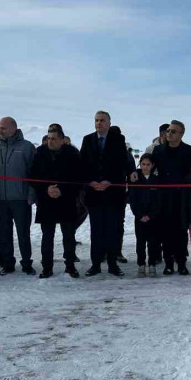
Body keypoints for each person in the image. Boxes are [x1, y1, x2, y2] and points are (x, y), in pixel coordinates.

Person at [80, 110, 129, 277]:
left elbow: (121, 163)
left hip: (112, 193)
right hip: (94, 193)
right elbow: (83, 164)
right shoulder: (88, 140)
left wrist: (110, 181)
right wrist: (91, 181)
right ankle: (95, 264)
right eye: (96, 120)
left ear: (109, 123)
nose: (98, 123)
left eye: (102, 120)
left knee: (112, 230)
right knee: (96, 230)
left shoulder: (118, 139)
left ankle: (113, 264)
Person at [146, 120, 191, 275]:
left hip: (182, 197)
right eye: (168, 131)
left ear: (181, 134)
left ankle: (181, 262)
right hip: (164, 198)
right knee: (166, 231)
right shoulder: (158, 151)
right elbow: (148, 168)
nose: (169, 133)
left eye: (173, 131)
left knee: (181, 231)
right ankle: (168, 262)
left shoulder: (190, 150)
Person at [30, 124, 82, 278]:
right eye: (48, 138)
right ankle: (47, 267)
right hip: (46, 201)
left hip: (66, 200)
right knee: (47, 237)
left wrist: (62, 190)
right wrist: (46, 189)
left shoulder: (72, 153)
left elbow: (78, 178)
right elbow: (33, 176)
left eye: (53, 139)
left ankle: (70, 266)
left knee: (69, 237)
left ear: (62, 140)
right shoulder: (40, 153)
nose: (50, 141)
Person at [0, 116, 37, 275]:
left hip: (21, 198)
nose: (0, 130)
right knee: (3, 233)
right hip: (0, 199)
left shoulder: (27, 147)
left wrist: (31, 193)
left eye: (3, 128)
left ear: (14, 128)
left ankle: (27, 263)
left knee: (23, 233)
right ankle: (8, 264)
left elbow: (34, 173)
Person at [129, 154, 162, 277]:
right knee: (140, 243)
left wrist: (151, 215)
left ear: (152, 165)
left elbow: (159, 201)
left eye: (148, 164)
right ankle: (141, 265)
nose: (145, 167)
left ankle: (152, 264)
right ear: (140, 165)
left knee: (153, 242)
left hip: (153, 218)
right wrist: (139, 215)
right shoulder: (135, 179)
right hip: (140, 218)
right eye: (143, 164)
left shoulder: (156, 180)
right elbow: (133, 200)